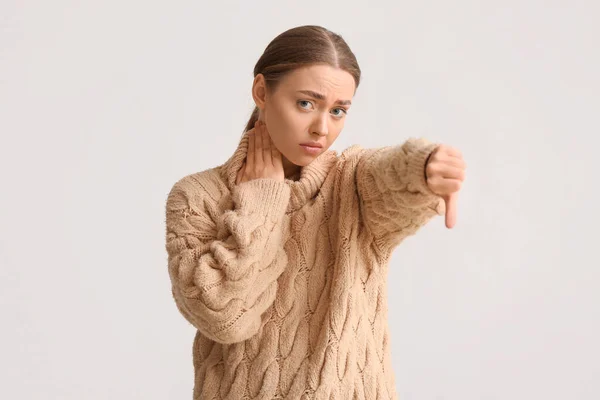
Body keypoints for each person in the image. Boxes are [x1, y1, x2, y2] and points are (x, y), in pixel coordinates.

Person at [165, 24, 466, 400]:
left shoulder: (352, 183)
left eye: (338, 111)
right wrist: (263, 196)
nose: (322, 129)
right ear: (262, 92)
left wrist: (423, 167)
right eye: (306, 103)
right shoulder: (196, 197)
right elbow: (225, 316)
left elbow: (389, 174)